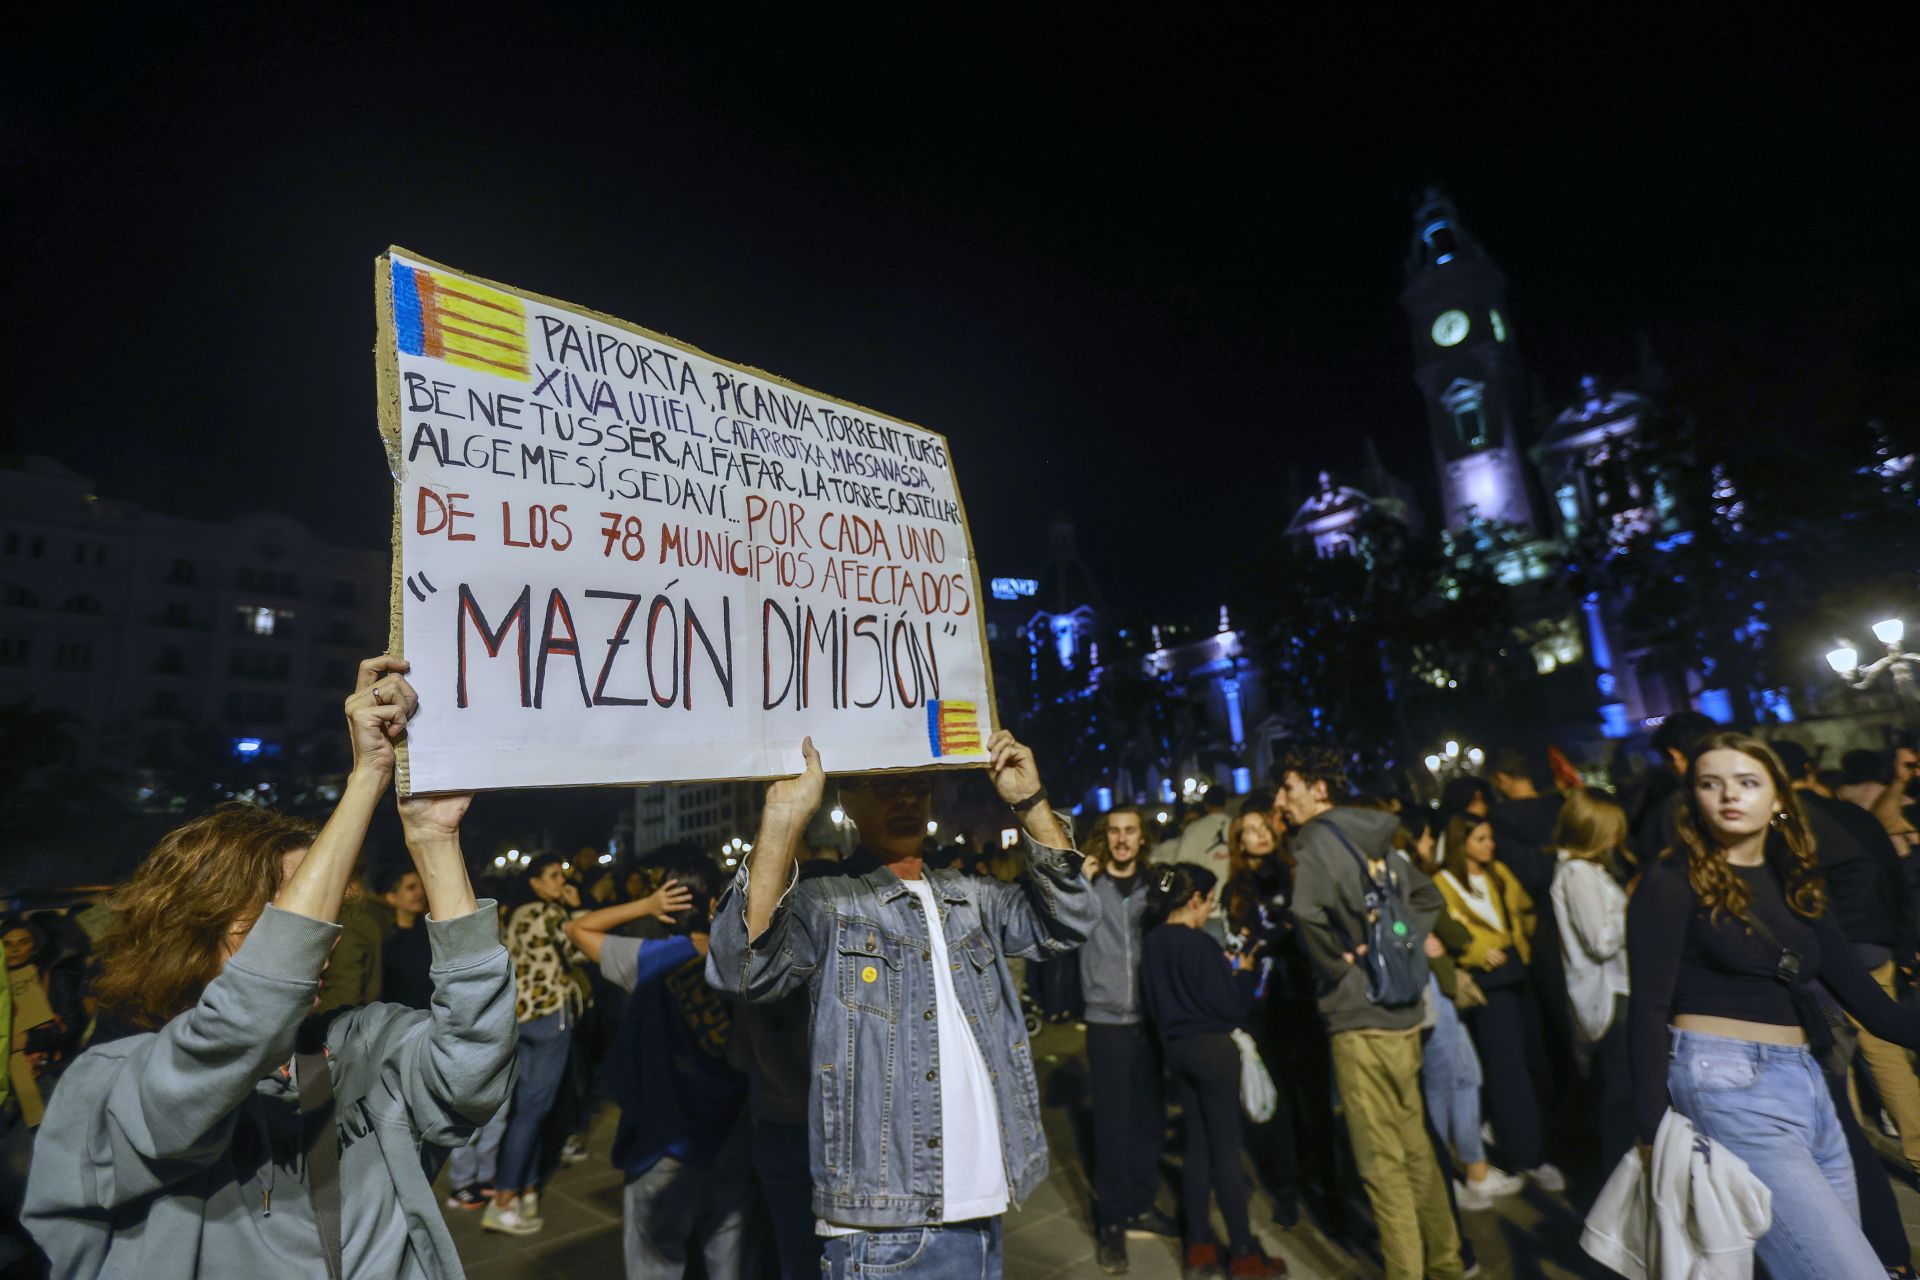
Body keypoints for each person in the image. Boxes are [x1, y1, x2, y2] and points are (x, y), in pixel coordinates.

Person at [23, 655, 515, 1278]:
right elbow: (239, 1026)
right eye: (289, 911)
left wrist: (434, 839)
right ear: (199, 921)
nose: (321, 937)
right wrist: (367, 778)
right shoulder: (106, 1085)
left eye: (328, 908)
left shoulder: (360, 1044)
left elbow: (473, 1075)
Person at [707, 731, 1096, 1280]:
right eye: (886, 788)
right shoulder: (828, 899)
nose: (907, 800)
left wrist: (1030, 804)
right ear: (847, 800)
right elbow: (742, 970)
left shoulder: (970, 895)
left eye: (918, 786)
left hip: (983, 1209)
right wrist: (783, 818)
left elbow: (1071, 921)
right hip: (884, 1230)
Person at [1626, 732, 1920, 1280]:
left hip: (1810, 1087)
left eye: (1747, 782)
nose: (1728, 795)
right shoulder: (1671, 880)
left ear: (1778, 797)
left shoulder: (1794, 882)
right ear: (1694, 799)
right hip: (1725, 1085)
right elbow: (1646, 1008)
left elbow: (1873, 1008)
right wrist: (1651, 1132)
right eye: (1710, 784)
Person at [1282, 747, 1465, 1280]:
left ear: (1319, 789)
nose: (1280, 801)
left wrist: (1338, 970)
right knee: (1417, 1149)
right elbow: (1427, 899)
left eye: (1287, 788)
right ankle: (1448, 1263)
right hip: (1403, 1010)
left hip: (1359, 1019)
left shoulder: (1316, 840)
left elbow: (1303, 912)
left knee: (1381, 1167)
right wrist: (1405, 948)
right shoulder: (1376, 835)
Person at [568, 861, 761, 1279]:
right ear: (715, 904)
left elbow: (578, 929)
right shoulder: (746, 962)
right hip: (732, 1135)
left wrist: (643, 904)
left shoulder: (649, 958)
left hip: (664, 1140)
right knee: (731, 1260)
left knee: (656, 1259)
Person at [1140, 863, 1285, 1280]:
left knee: (1196, 1149)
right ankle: (1242, 1253)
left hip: (1177, 1050)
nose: (1210, 912)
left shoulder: (1152, 943)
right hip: (1214, 1051)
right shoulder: (1199, 944)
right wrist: (1239, 975)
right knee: (1226, 1152)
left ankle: (1199, 1247)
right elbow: (1229, 1007)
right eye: (1209, 902)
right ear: (1195, 900)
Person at [1430, 813, 1564, 1193]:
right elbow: (1447, 930)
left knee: (1531, 1062)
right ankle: (1525, 1154)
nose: (1490, 845)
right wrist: (1479, 951)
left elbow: (1521, 910)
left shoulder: (1498, 873)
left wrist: (1517, 941)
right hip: (1487, 984)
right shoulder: (1443, 882)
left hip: (1517, 972)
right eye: (1481, 839)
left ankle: (1525, 1145)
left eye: (1490, 837)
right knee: (1506, 1071)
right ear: (1462, 843)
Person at [1080, 805, 1174, 1274]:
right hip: (1106, 1020)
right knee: (1112, 1127)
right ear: (1106, 837)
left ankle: (1141, 1202)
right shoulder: (1090, 883)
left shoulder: (1154, 886)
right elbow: (1058, 918)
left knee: (1149, 1121)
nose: (1122, 839)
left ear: (1142, 838)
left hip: (1149, 1020)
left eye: (1130, 831)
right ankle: (1111, 1221)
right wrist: (1077, 878)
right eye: (1114, 831)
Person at [486, 853, 587, 1235]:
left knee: (526, 1109)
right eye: (554, 876)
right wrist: (579, 909)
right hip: (549, 1017)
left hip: (521, 1017)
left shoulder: (520, 914)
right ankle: (504, 1199)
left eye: (563, 874)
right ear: (535, 882)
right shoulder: (549, 914)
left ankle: (527, 1189)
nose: (562, 881)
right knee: (532, 1112)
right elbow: (581, 950)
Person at [1220, 807, 1305, 1231]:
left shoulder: (1296, 872)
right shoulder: (1237, 890)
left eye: (1263, 827)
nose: (1259, 835)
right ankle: (1286, 1186)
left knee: (1313, 1094)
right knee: (1278, 1103)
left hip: (1305, 998)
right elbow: (1239, 950)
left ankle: (1322, 1178)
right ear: (1238, 841)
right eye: (1248, 830)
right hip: (1264, 1005)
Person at [1547, 789, 1635, 1175]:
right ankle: (1617, 1189)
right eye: (1611, 831)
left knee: (1619, 1092)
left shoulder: (1584, 870)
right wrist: (1632, 905)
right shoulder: (1577, 874)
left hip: (1613, 990)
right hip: (1609, 994)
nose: (1616, 839)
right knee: (1620, 1097)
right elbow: (1601, 941)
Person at [1, 918, 83, 1126]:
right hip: (6, 1083)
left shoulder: (53, 979)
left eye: (23, 942)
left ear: (35, 946)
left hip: (42, 1078)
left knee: (25, 1155)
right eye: (7, 944)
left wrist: (27, 1040)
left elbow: (71, 1029)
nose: (15, 950)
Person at [376, 865, 434, 1011]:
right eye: (411, 888)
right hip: (394, 1020)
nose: (420, 893)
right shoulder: (382, 937)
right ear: (391, 897)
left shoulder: (430, 933)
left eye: (421, 886)